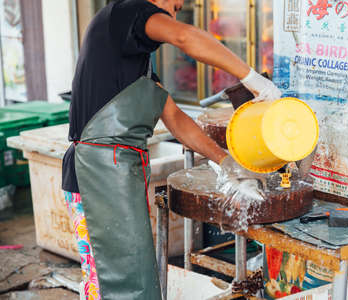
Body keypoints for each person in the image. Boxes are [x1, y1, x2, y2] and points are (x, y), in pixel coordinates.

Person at [61, 0, 281, 299]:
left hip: (119, 176)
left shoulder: (139, 68)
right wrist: (251, 78)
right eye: (175, 6)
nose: (174, 14)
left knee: (134, 277)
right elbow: (184, 36)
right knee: (111, 284)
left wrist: (227, 163)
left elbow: (177, 119)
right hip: (94, 177)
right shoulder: (121, 15)